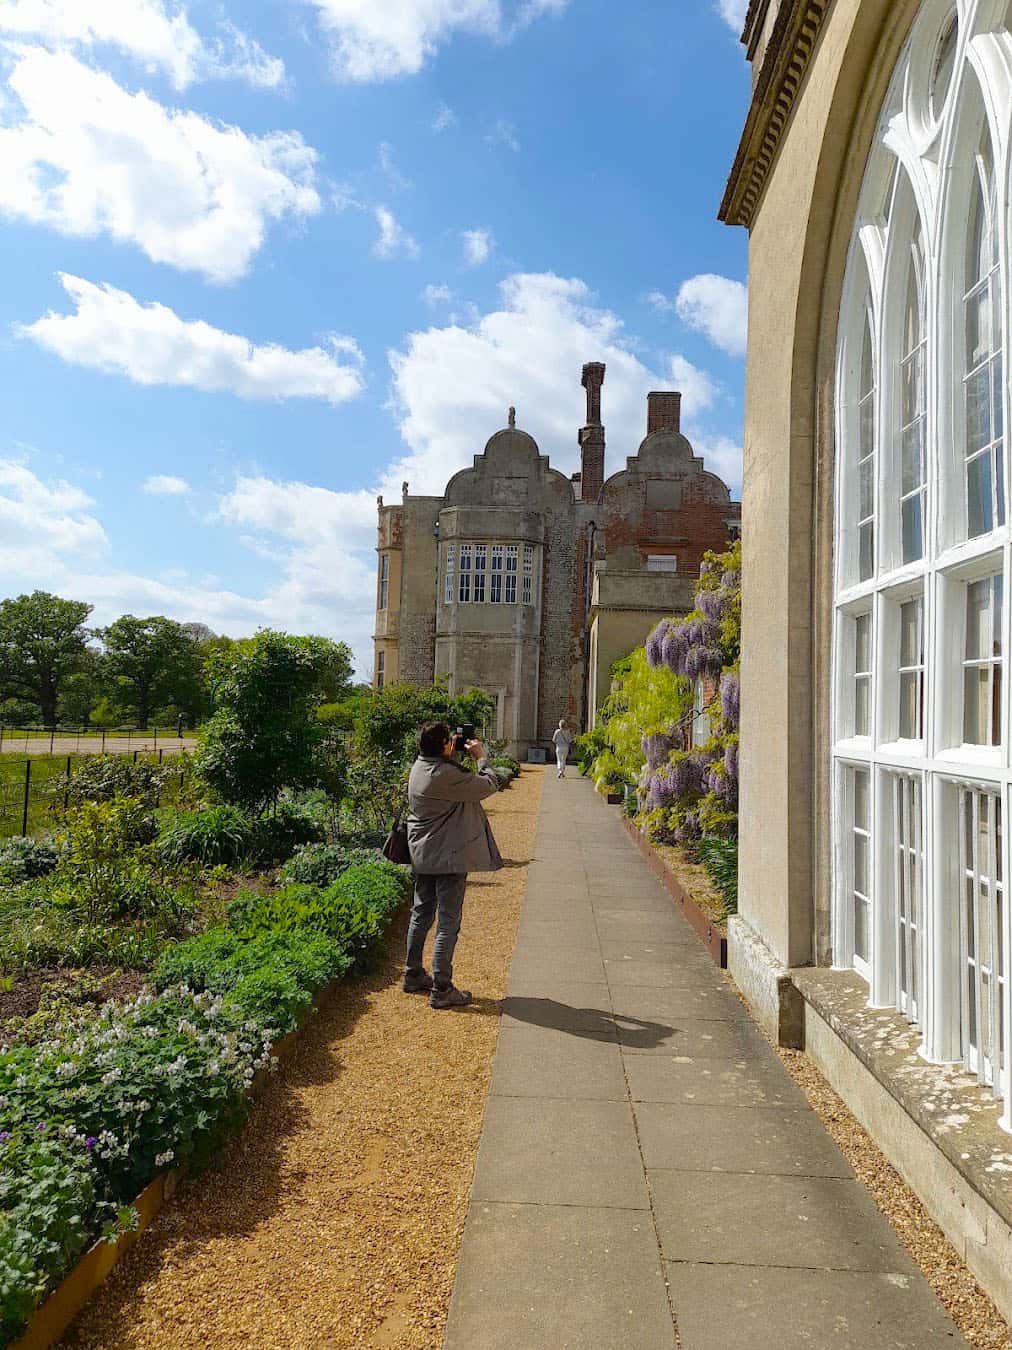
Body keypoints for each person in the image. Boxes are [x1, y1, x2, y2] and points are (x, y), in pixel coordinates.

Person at [403, 722, 502, 1009]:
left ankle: (412, 974)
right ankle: (442, 988)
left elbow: (451, 780)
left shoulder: (420, 766)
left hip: (422, 855)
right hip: (447, 857)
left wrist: (452, 753)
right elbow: (488, 784)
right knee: (448, 922)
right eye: (450, 741)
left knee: (421, 914)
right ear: (443, 746)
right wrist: (480, 756)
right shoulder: (444, 774)